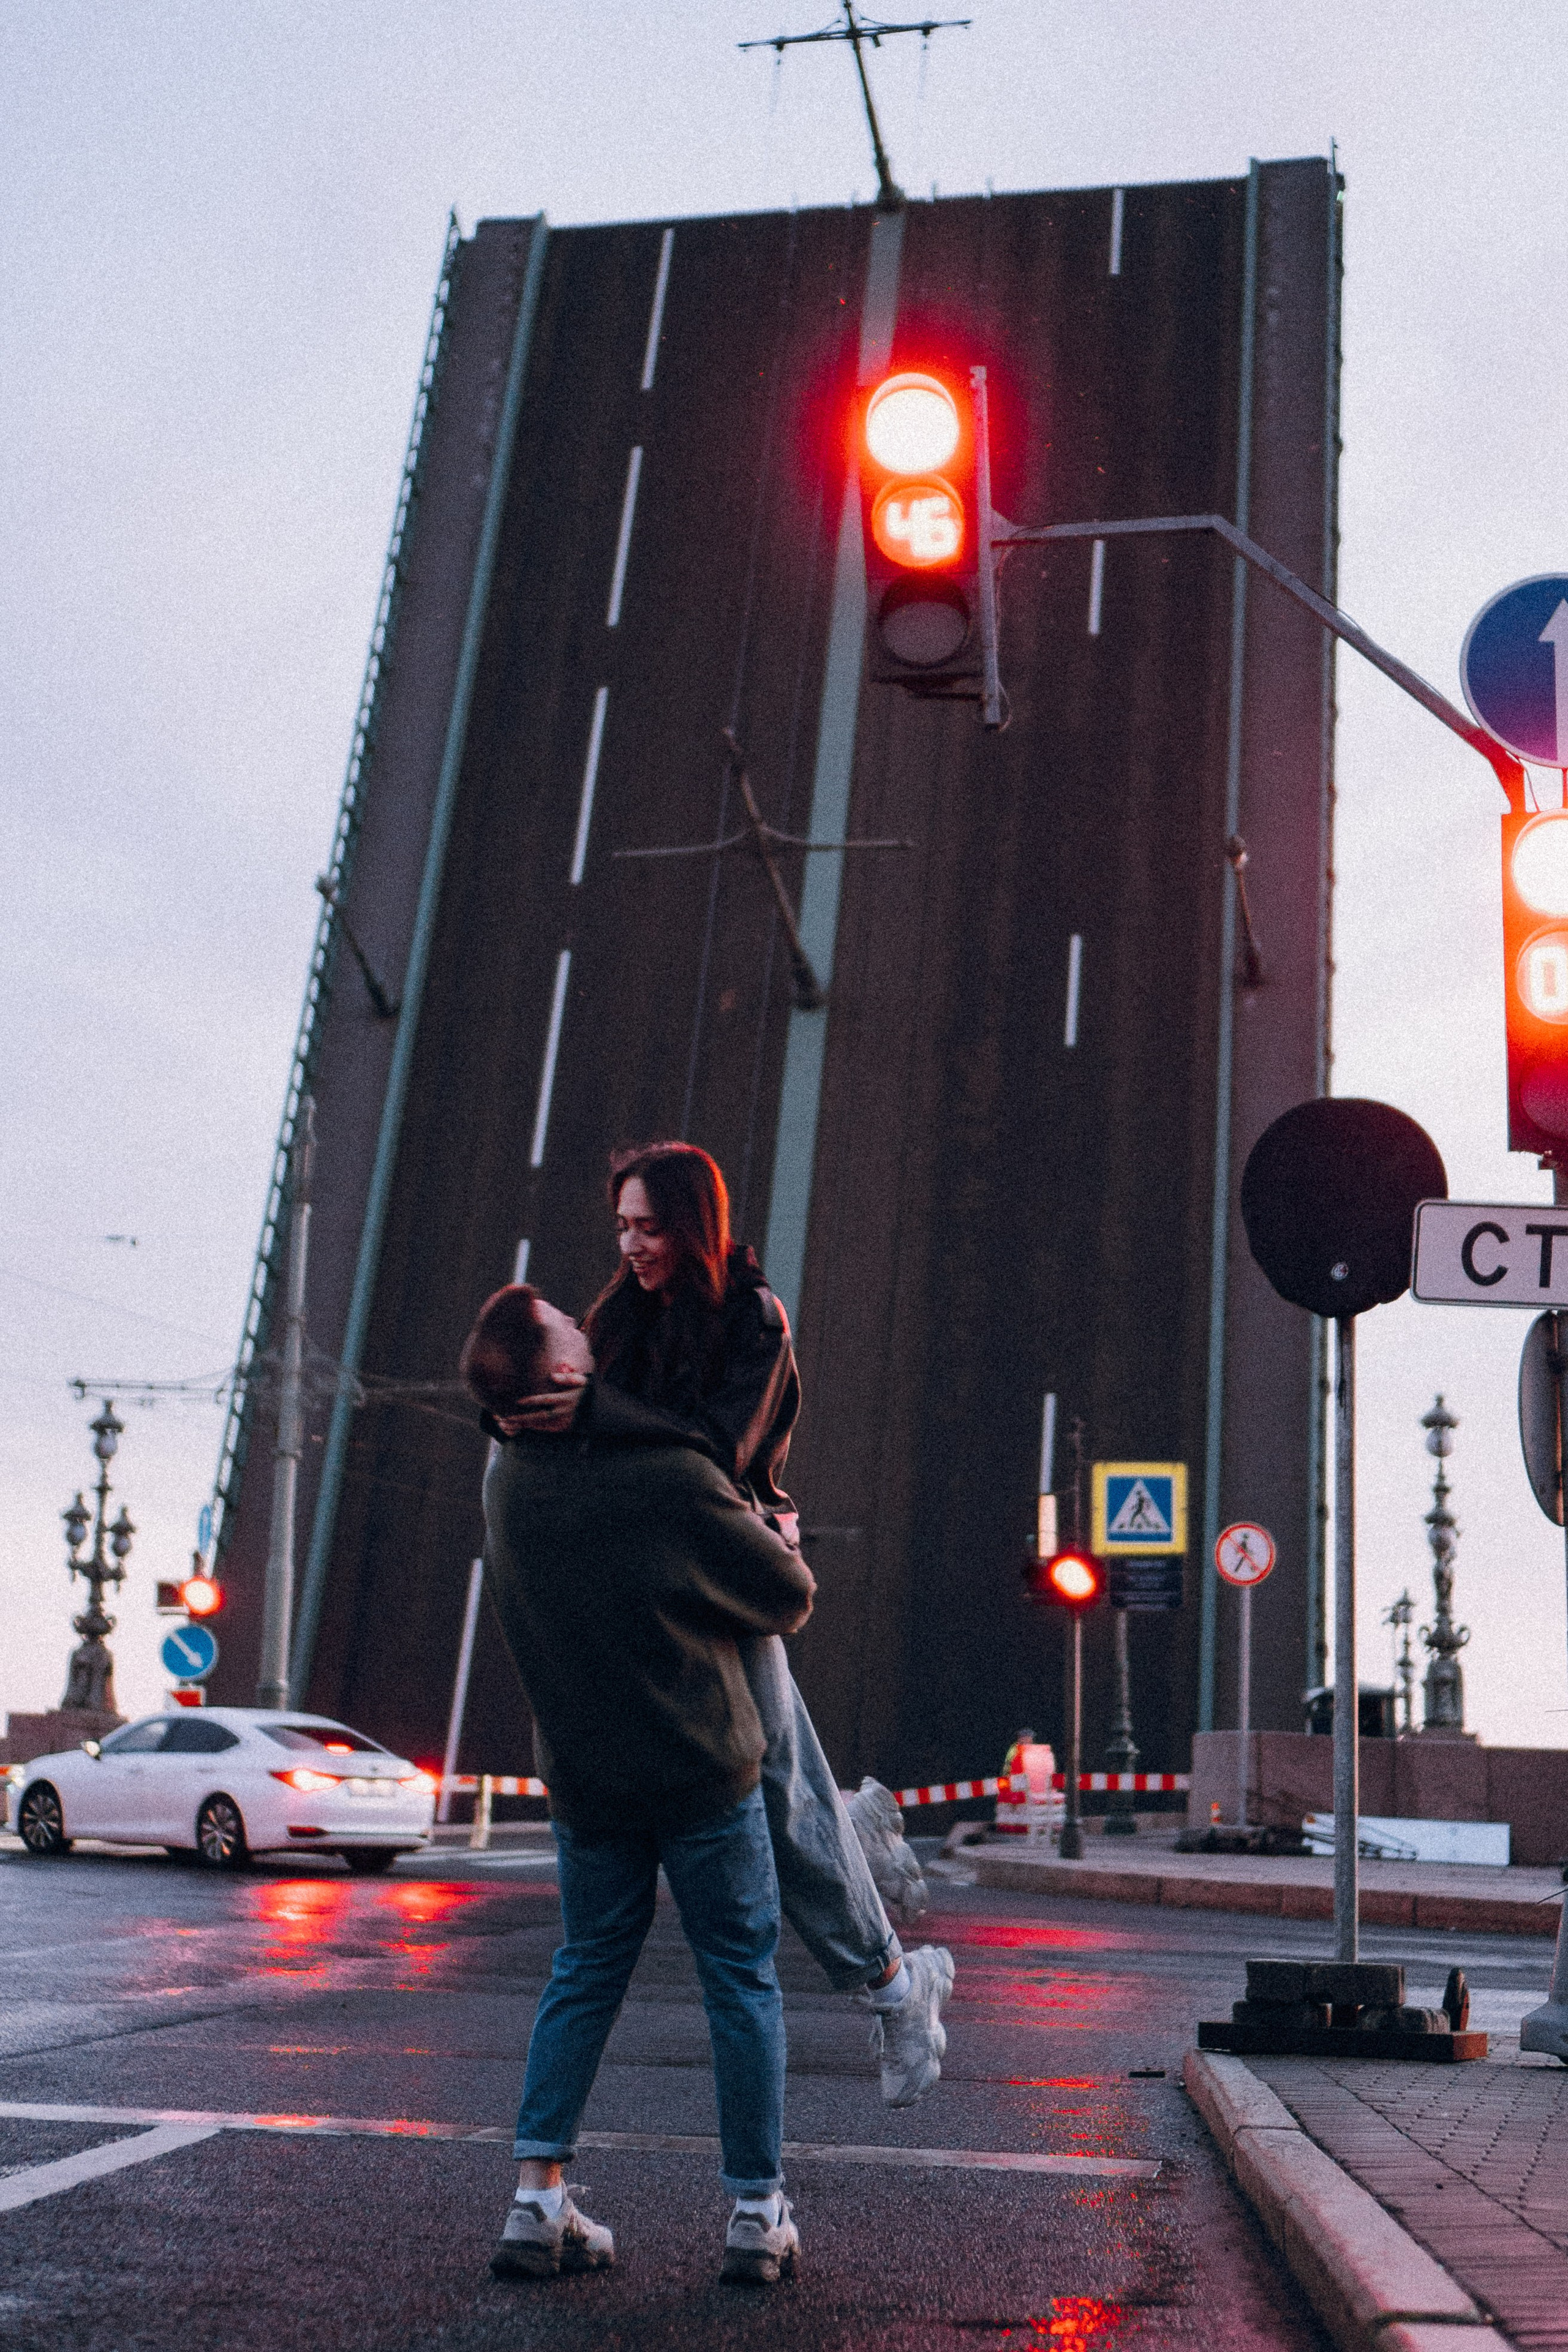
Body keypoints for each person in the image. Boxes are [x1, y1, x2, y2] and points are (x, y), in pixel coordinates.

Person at [500, 1141, 953, 2105]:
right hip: (653, 1574)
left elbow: (711, 1452)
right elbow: (553, 1402)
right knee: (788, 1780)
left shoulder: (756, 1321)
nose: (630, 1246)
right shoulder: (617, 1315)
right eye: (621, 1226)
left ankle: (894, 1989)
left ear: (693, 1225)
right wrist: (511, 1415)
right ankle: (865, 1846)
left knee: (777, 1786)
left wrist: (597, 1411)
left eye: (650, 1227)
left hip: (725, 1559)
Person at [462, 1283, 813, 2285]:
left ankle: (536, 2201)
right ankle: (755, 2213)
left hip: (587, 1783)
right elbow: (785, 1598)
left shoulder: (508, 1480)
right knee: (740, 1982)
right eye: (573, 1329)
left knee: (584, 1973)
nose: (590, 1322)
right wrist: (777, 1542)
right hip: (701, 1771)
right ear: (566, 1372)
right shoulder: (664, 1472)